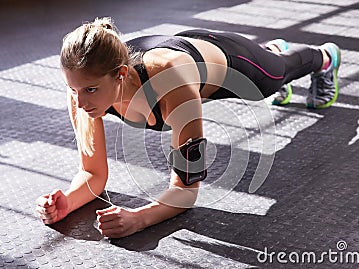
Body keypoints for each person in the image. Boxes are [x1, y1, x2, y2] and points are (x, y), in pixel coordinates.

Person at [35, 17, 341, 238]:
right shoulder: (82, 84)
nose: (79, 100)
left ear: (120, 75)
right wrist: (68, 201)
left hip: (225, 58)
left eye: (89, 90)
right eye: (73, 89)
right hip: (173, 54)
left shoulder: (172, 84)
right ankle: (272, 50)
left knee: (275, 77)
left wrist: (139, 219)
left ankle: (324, 57)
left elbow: (185, 190)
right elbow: (93, 173)